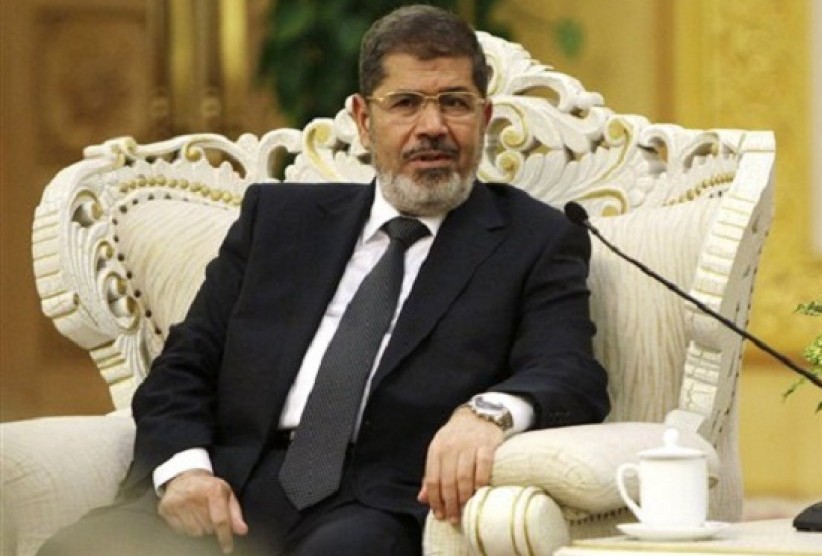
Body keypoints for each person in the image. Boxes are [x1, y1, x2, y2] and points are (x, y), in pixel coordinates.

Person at [38, 5, 609, 556]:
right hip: (227, 487)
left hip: (374, 503)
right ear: (364, 120)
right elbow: (184, 368)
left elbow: (568, 371)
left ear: (484, 120)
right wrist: (185, 471)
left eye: (455, 104)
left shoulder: (533, 240)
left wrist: (487, 413)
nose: (432, 127)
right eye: (405, 104)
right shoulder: (278, 222)